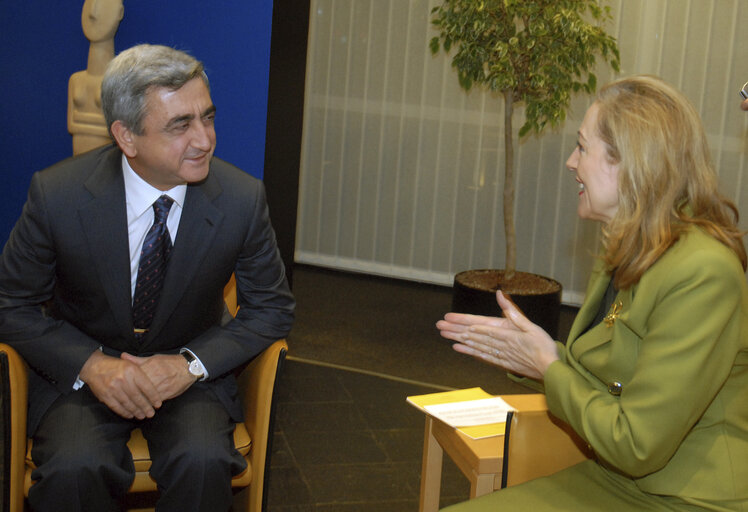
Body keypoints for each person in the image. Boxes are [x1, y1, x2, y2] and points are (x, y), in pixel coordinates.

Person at [0, 44, 295, 512]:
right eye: (180, 125)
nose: (204, 139)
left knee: (203, 462)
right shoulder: (57, 195)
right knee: (75, 469)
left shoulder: (241, 199)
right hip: (83, 376)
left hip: (188, 374)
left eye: (207, 117)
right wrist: (93, 366)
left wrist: (188, 365)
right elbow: (9, 304)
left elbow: (273, 307)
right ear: (127, 137)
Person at [437, 75, 748, 510]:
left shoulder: (703, 271)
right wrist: (537, 355)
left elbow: (636, 444)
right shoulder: (629, 244)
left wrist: (549, 366)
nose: (570, 162)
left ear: (632, 161)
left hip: (684, 498)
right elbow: (611, 380)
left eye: (582, 147)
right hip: (617, 478)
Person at [68, 0, 123, 155]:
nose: (93, 13)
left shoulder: (118, 83)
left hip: (103, 160)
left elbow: (115, 130)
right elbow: (70, 125)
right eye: (89, 5)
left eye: (104, 7)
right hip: (77, 158)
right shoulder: (76, 80)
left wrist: (83, 121)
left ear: (119, 13)